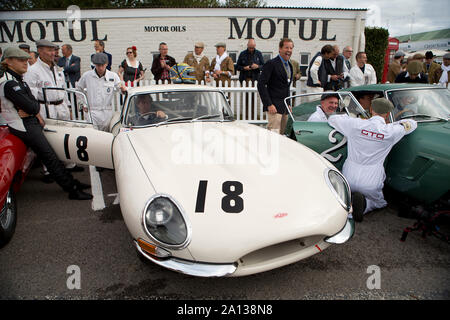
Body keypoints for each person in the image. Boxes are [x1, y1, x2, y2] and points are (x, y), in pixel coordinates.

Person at [0, 47, 92, 200]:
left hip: (29, 121)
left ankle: (73, 182)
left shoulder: (17, 79)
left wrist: (31, 108)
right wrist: (31, 108)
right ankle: (72, 189)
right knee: (49, 157)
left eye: (25, 59)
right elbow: (33, 105)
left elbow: (32, 104)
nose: (25, 63)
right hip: (23, 125)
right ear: (8, 62)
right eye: (20, 60)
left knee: (54, 153)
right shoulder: (10, 83)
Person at [328, 98, 417, 222]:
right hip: (372, 179)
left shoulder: (356, 124)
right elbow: (412, 124)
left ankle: (346, 204)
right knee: (380, 202)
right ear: (387, 114)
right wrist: (393, 124)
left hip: (348, 176)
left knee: (342, 195)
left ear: (371, 110)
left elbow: (333, 119)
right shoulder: (391, 131)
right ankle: (364, 206)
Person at [24, 39, 83, 177]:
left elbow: (63, 89)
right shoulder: (33, 71)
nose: (53, 53)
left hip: (60, 106)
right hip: (46, 108)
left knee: (65, 137)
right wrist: (36, 114)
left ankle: (69, 164)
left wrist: (68, 107)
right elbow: (31, 95)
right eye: (49, 50)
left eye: (53, 50)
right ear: (39, 50)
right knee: (48, 140)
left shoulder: (56, 68)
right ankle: (48, 170)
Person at [77, 53, 127, 131]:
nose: (100, 68)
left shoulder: (113, 76)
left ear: (106, 64)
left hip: (107, 112)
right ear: (94, 64)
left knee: (106, 135)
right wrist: (82, 103)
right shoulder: (87, 76)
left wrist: (123, 89)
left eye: (102, 65)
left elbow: (120, 88)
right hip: (92, 111)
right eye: (98, 65)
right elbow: (78, 89)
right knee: (93, 134)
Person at [257, 38, 294, 135]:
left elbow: (286, 86)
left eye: (291, 48)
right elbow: (261, 84)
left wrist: (289, 104)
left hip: (284, 108)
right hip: (274, 108)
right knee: (273, 136)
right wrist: (268, 104)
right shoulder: (271, 63)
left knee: (282, 136)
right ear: (280, 49)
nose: (289, 50)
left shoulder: (290, 65)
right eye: (286, 47)